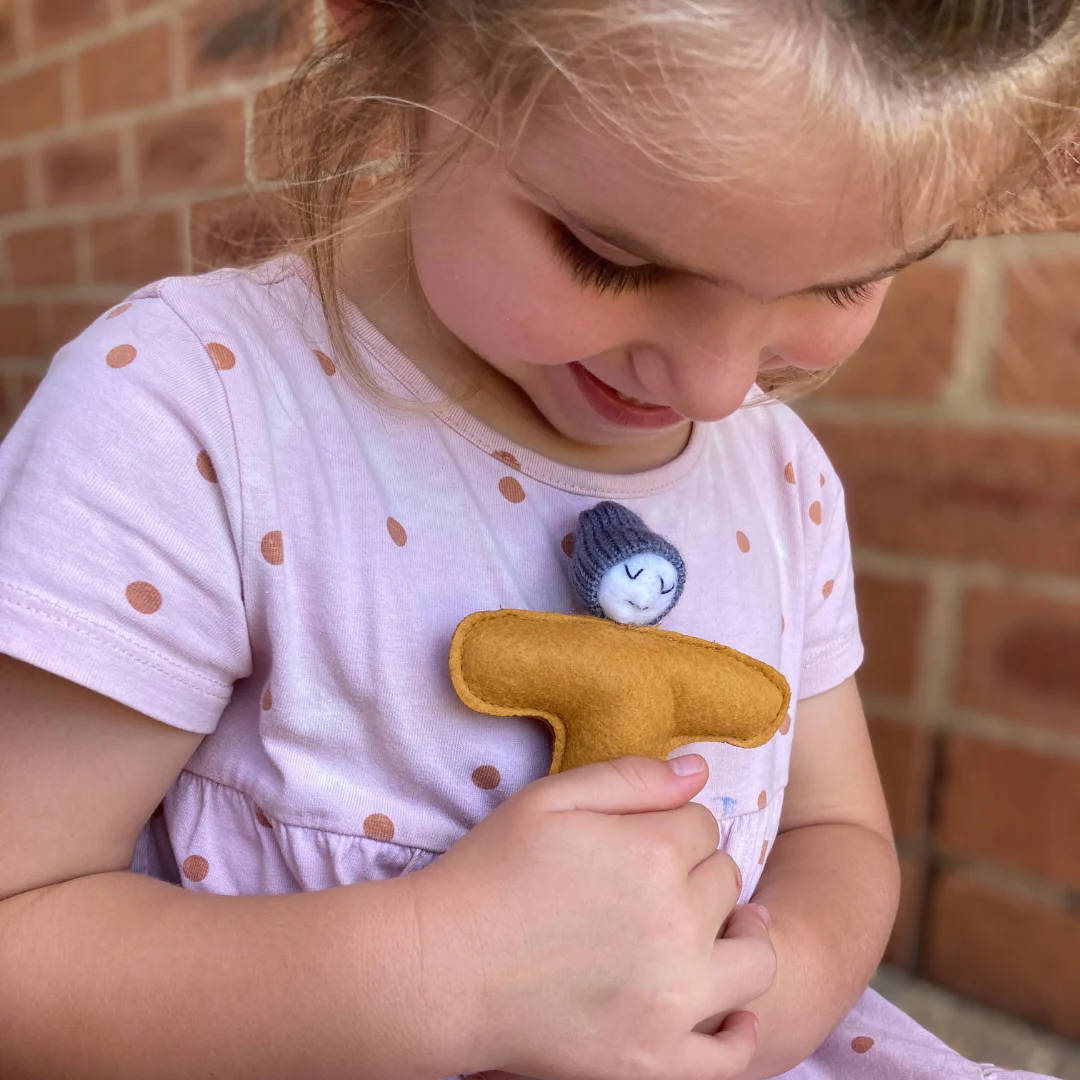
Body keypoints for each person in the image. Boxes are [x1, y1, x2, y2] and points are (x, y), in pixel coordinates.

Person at [0, 2, 1076, 1078]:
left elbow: (835, 834)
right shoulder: (195, 416)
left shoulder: (783, 476)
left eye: (846, 280)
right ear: (384, 28)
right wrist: (440, 972)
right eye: (608, 256)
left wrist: (757, 1001)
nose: (719, 385)